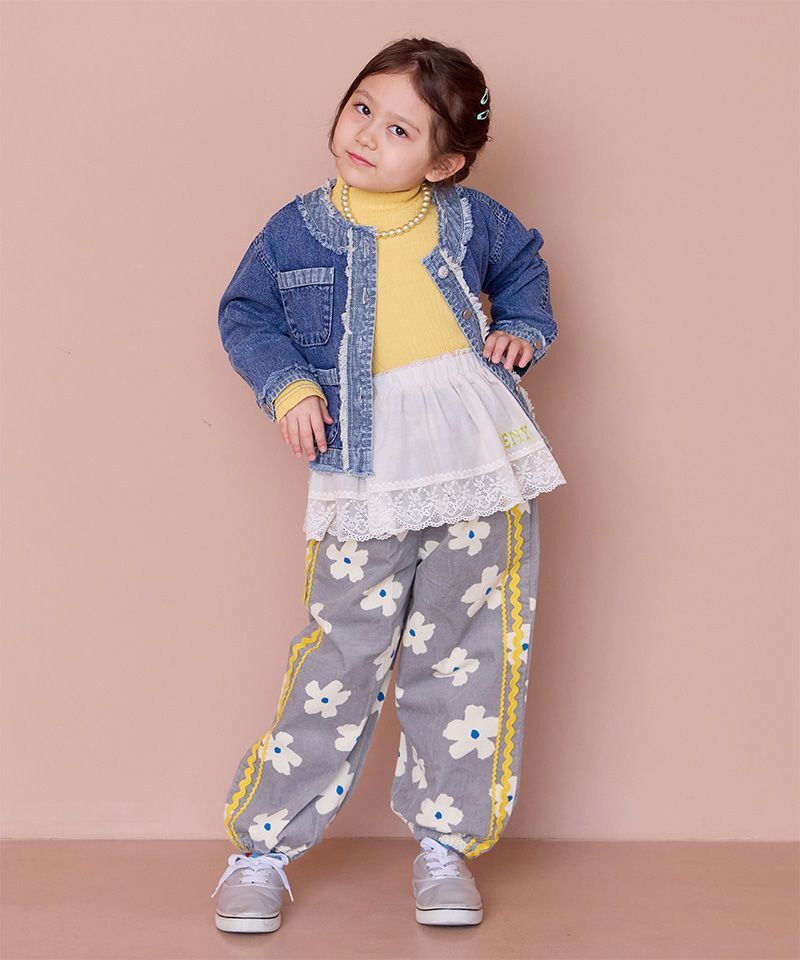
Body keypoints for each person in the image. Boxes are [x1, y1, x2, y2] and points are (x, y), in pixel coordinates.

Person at [211, 36, 567, 934]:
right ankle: (263, 849)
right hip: (365, 465)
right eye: (362, 107)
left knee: (466, 651)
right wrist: (289, 388)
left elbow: (524, 267)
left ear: (443, 163)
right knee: (341, 655)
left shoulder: (471, 220)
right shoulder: (295, 229)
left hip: (477, 462)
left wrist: (523, 325)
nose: (367, 133)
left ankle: (446, 845)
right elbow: (246, 313)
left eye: (400, 129)